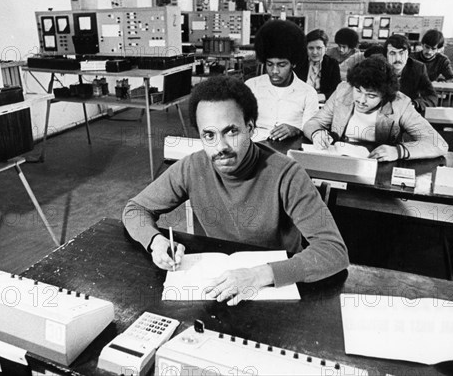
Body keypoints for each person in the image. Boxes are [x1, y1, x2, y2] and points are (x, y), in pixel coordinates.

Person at [123, 75, 349, 306]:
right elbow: (135, 209)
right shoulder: (192, 166)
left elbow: (334, 251)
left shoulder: (287, 174)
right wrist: (156, 242)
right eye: (209, 135)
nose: (220, 147)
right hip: (218, 283)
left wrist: (260, 275)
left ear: (250, 128)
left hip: (276, 288)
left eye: (231, 131)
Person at [302, 55, 448, 161]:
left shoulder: (400, 104)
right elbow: (313, 123)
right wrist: (317, 133)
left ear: (384, 95)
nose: (361, 100)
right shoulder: (343, 90)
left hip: (377, 166)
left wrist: (398, 151)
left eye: (371, 96)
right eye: (358, 91)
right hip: (338, 160)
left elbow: (438, 143)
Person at [245, 20, 320, 141]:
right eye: (269, 64)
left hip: (290, 150)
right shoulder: (251, 87)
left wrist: (295, 129)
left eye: (281, 65)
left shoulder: (308, 93)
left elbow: (311, 128)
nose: (274, 71)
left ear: (293, 64)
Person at [384, 34, 438, 115]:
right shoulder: (378, 67)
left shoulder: (418, 68)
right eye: (392, 53)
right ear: (386, 56)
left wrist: (415, 104)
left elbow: (432, 97)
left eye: (402, 53)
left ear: (408, 54)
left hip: (407, 114)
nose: (398, 58)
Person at [293, 29, 341, 100]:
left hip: (322, 103)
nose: (314, 52)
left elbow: (337, 90)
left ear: (326, 48)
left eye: (319, 48)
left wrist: (322, 96)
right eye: (311, 48)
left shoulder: (332, 64)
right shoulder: (298, 62)